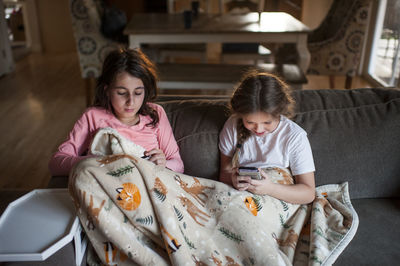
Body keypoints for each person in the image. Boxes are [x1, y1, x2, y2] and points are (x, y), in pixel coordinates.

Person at [49, 48, 184, 176]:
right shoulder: (93, 117)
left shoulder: (156, 113)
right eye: (121, 93)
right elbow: (56, 163)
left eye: (138, 93)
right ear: (107, 90)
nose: (131, 102)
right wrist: (97, 162)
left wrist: (163, 163)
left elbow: (178, 164)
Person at [218, 71, 315, 204]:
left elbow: (308, 193)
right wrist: (233, 180)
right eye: (250, 122)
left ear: (280, 113)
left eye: (267, 123)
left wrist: (270, 189)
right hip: (241, 198)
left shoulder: (295, 137)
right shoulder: (232, 125)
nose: (258, 129)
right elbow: (224, 173)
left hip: (278, 199)